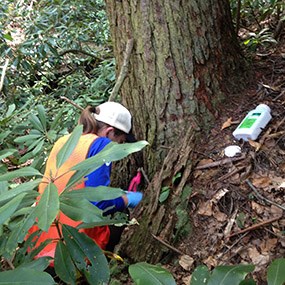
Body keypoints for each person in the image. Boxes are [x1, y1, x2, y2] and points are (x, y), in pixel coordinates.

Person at [29, 101, 143, 264]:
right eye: (120, 142)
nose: (119, 148)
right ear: (110, 132)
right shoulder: (102, 145)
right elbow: (96, 204)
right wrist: (127, 199)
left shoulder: (63, 141)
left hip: (42, 244)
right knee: (124, 227)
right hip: (76, 248)